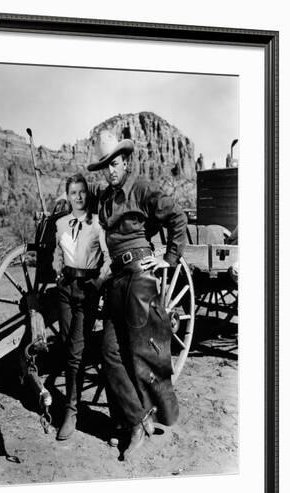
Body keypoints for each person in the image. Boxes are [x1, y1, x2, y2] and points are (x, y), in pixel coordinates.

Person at [86, 131, 187, 459]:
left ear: (126, 161)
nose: (110, 171)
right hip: (117, 280)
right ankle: (136, 419)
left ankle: (135, 426)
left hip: (140, 278)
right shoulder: (104, 199)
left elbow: (177, 217)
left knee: (141, 354)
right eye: (105, 166)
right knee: (109, 352)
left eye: (114, 164)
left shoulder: (140, 187)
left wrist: (167, 258)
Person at [52, 174, 110, 441]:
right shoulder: (61, 223)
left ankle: (71, 412)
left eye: (82, 192)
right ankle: (71, 402)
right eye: (73, 192)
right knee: (66, 345)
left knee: (75, 352)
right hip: (65, 289)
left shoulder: (97, 224)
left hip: (86, 290)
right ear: (68, 196)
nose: (78, 197)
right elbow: (57, 252)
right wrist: (57, 271)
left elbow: (108, 260)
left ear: (87, 195)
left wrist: (97, 283)